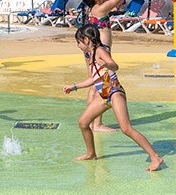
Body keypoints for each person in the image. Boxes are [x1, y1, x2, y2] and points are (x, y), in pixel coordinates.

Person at [64, 24, 163, 172]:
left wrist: (108, 64)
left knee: (126, 128)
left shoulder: (100, 51)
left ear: (86, 39)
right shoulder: (90, 55)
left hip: (114, 93)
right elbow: (93, 79)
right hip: (103, 94)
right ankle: (91, 153)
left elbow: (115, 66)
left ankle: (155, 157)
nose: (78, 45)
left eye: (78, 42)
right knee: (83, 122)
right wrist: (74, 86)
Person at [80, 0, 125, 132]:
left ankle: (91, 121)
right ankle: (97, 124)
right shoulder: (101, 8)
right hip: (101, 51)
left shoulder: (91, 9)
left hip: (90, 51)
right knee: (102, 84)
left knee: (93, 84)